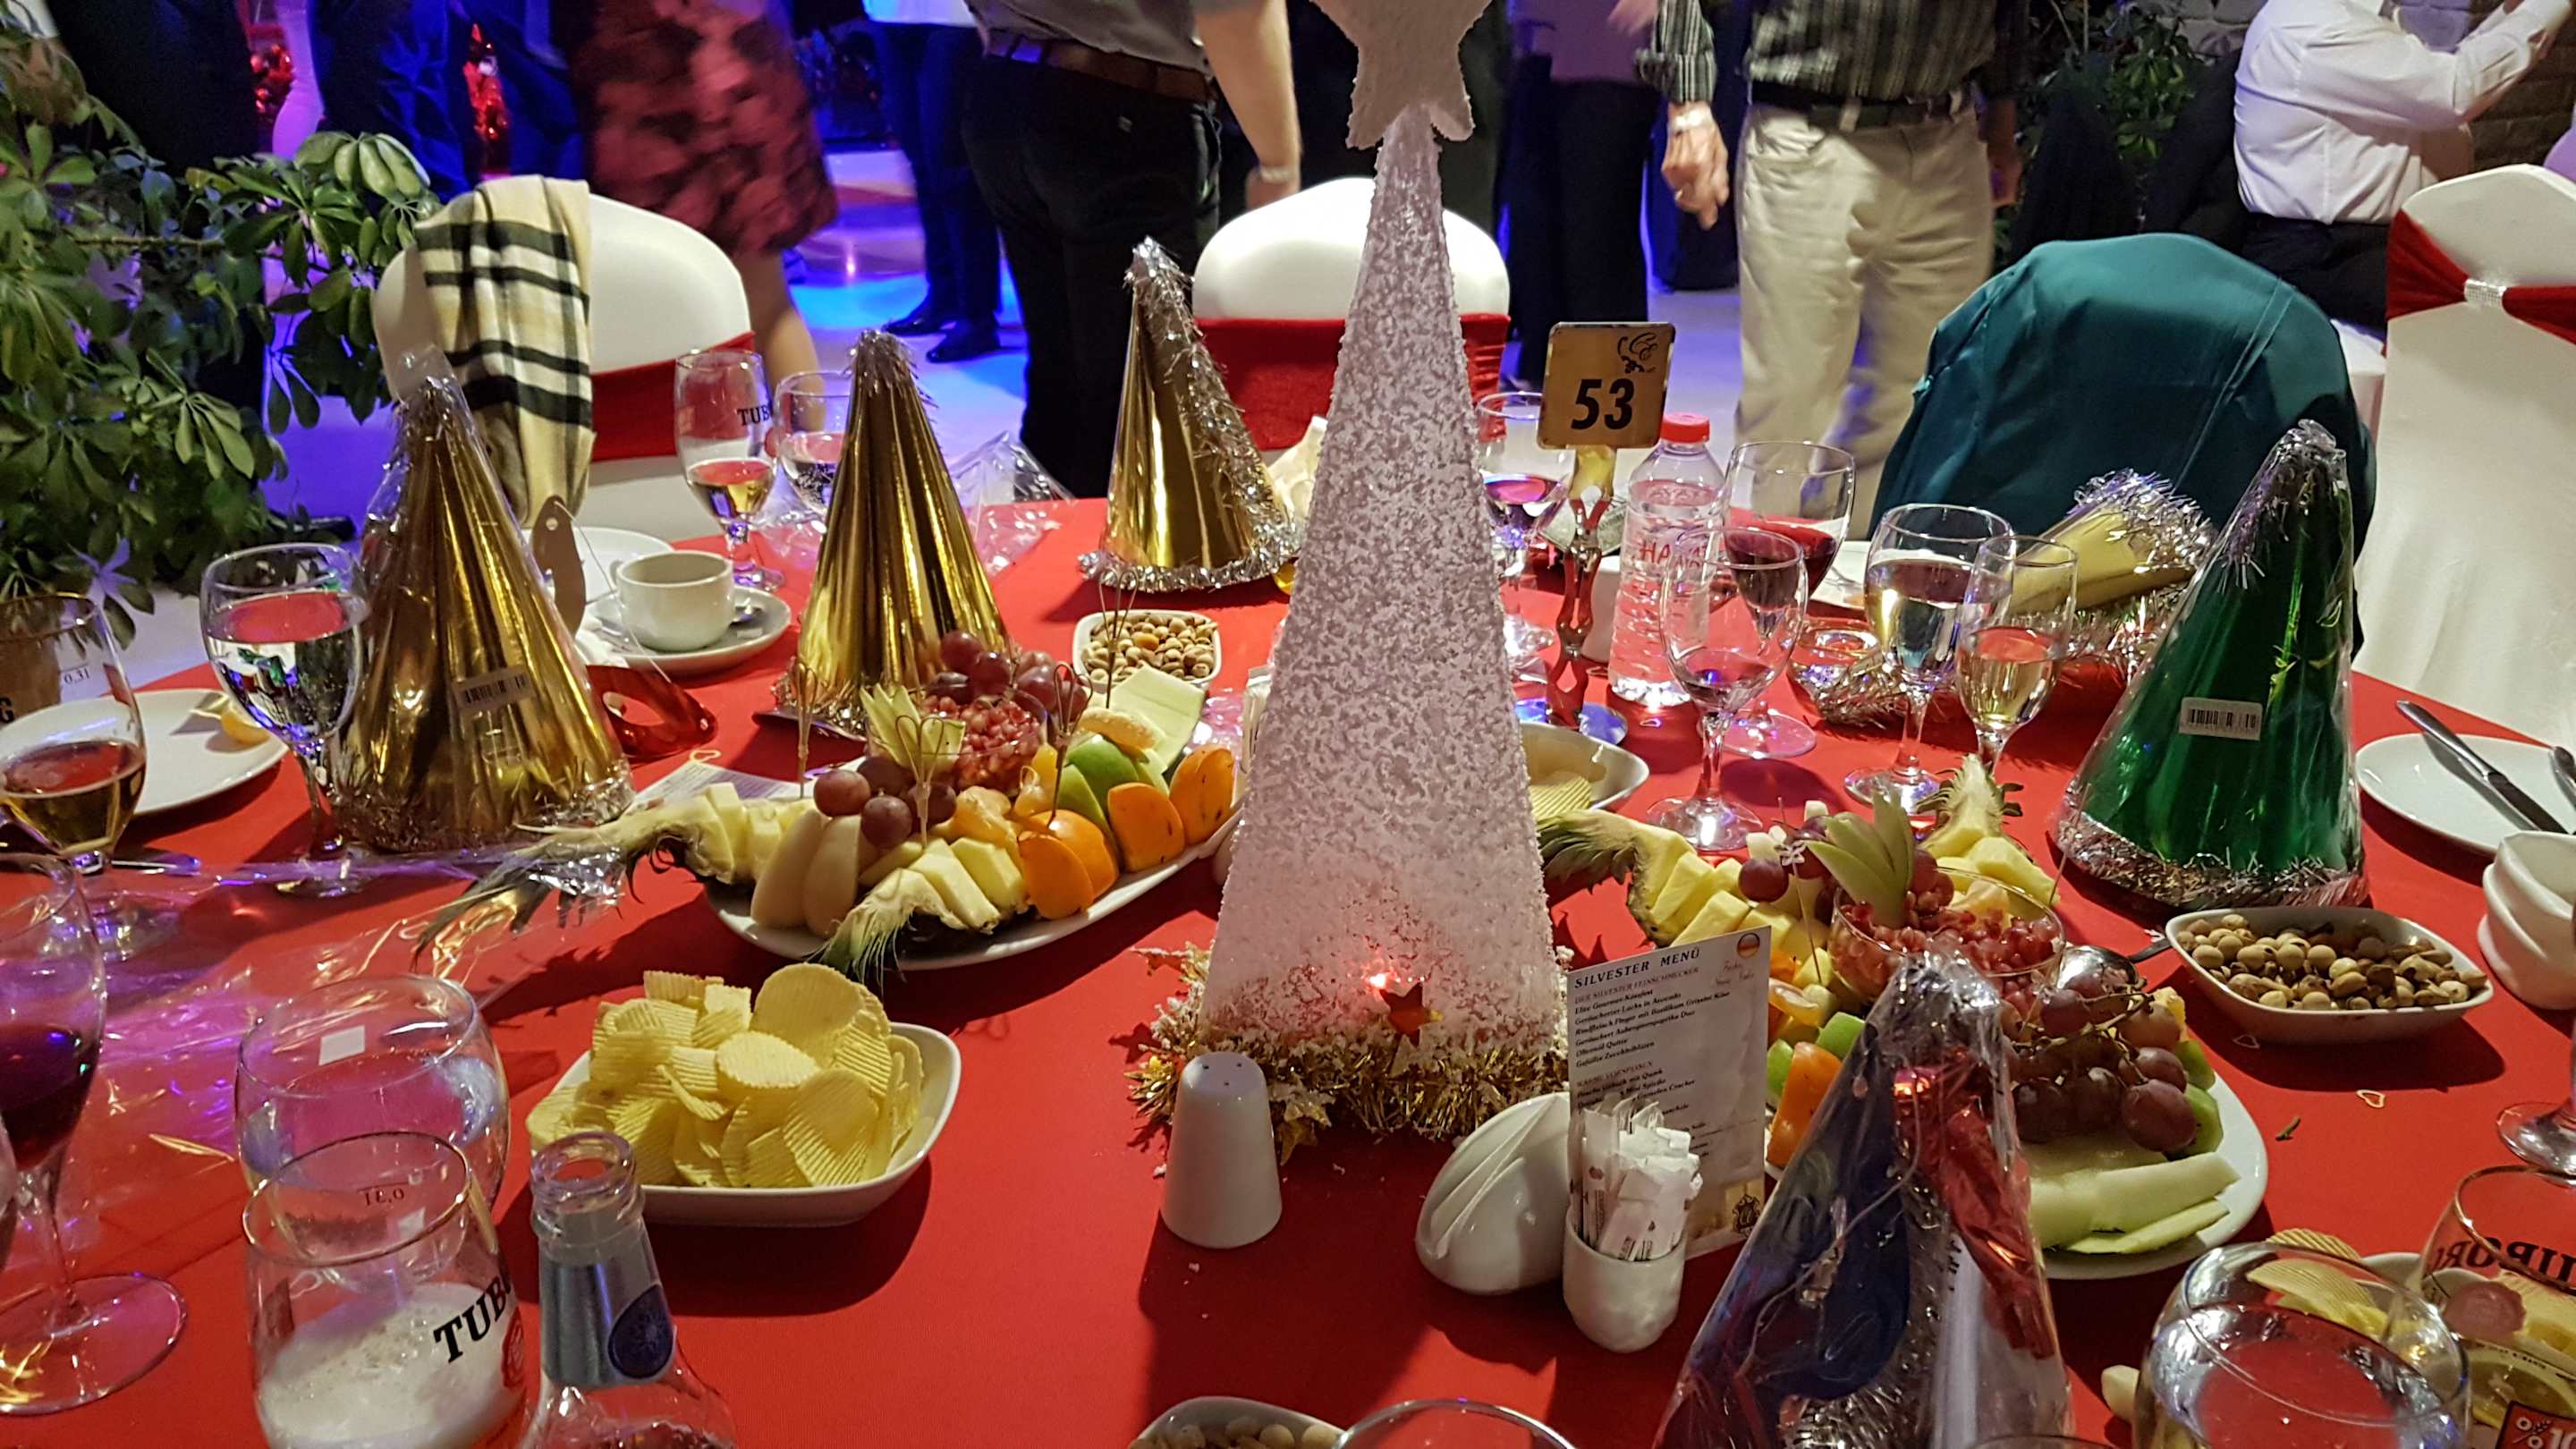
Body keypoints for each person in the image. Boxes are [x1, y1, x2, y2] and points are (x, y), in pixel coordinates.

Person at [1639, 0, 2024, 520]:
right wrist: (1688, 109)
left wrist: (2002, 114)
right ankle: (1764, 558)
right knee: (1790, 393)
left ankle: (1856, 557)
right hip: (1808, 123)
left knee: (1916, 394)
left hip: (1950, 136)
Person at [962, 0, 1300, 497]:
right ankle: (1107, 546)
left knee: (1061, 383)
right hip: (1121, 106)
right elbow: (1237, 9)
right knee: (1137, 408)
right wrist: (1279, 164)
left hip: (1007, 86)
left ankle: (1046, 542)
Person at [2234, 0, 2572, 328]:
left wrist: (2512, 12)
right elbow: (2453, 90)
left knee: (2524, 299)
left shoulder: (2339, 15)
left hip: (2353, 245)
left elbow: (2437, 76)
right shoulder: (2317, 25)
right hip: (2328, 254)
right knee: (2497, 321)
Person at [558, 0, 838, 380]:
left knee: (694, 309)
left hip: (670, 87)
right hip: (725, 68)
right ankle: (793, 421)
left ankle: (759, 418)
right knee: (761, 303)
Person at [1501, 0, 1661, 384]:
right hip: (1536, 34)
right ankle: (1546, 371)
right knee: (1534, 221)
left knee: (1599, 229)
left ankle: (1613, 380)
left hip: (1612, 43)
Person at [873, 0, 1003, 362]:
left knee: (952, 167)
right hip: (887, 13)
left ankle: (977, 313)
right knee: (922, 162)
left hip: (952, 17)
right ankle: (944, 294)